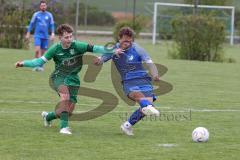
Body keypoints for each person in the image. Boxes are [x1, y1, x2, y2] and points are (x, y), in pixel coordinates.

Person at [15, 24, 113, 135]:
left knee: (68, 112)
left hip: (74, 79)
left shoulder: (77, 46)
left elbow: (96, 48)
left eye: (71, 36)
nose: (70, 39)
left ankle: (48, 116)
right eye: (66, 37)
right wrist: (23, 63)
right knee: (65, 96)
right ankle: (64, 128)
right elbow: (39, 62)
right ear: (60, 38)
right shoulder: (55, 49)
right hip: (58, 77)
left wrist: (111, 50)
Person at [94, 27, 160, 136]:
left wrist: (155, 74)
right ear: (119, 39)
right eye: (125, 40)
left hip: (143, 80)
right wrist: (97, 61)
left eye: (129, 41)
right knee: (142, 100)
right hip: (128, 81)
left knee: (145, 108)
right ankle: (149, 107)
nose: (127, 43)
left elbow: (149, 62)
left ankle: (127, 126)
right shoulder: (114, 50)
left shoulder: (138, 49)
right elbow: (100, 60)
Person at [26, 0, 55, 71]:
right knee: (36, 51)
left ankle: (40, 66)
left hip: (45, 37)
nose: (43, 7)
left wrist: (52, 33)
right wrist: (28, 33)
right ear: (40, 6)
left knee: (42, 53)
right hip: (37, 36)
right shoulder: (36, 14)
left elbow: (52, 25)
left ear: (46, 6)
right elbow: (31, 24)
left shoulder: (49, 15)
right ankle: (35, 65)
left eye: (44, 5)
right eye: (42, 6)